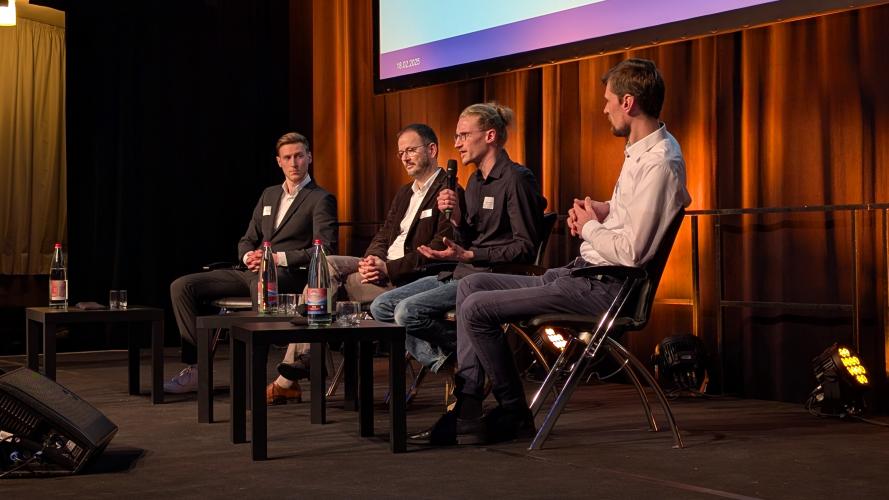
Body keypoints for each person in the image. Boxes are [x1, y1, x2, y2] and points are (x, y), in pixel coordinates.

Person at [415, 58, 692, 446]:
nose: (605, 107)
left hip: (607, 288)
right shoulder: (640, 152)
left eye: (609, 100)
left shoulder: (661, 162)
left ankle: (511, 412)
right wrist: (602, 211)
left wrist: (588, 228)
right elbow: (632, 218)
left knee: (477, 308)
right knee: (471, 286)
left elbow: (631, 252)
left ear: (628, 103)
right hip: (582, 274)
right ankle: (470, 404)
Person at [266, 123, 457, 404]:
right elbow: (384, 233)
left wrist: (387, 268)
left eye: (411, 150)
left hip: (411, 279)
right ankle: (304, 358)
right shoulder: (405, 192)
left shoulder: (448, 192)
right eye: (401, 152)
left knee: (331, 298)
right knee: (326, 265)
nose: (405, 157)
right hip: (381, 270)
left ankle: (294, 371)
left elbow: (439, 249)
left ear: (432, 150)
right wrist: (371, 260)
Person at [370, 102, 546, 380]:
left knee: (406, 312)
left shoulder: (516, 179)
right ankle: (453, 360)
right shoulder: (475, 181)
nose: (458, 144)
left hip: (489, 278)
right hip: (458, 273)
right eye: (456, 137)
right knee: (381, 306)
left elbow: (525, 247)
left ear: (489, 136)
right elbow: (467, 240)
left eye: (463, 135)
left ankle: (472, 358)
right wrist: (457, 221)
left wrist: (472, 256)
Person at [165, 132, 337, 394]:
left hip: (288, 274)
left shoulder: (320, 198)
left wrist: (275, 258)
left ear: (309, 158)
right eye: (288, 157)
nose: (294, 163)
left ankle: (256, 377)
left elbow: (324, 248)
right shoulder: (269, 195)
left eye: (299, 156)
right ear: (278, 161)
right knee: (182, 286)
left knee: (262, 287)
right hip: (252, 270)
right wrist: (248, 256)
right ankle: (197, 369)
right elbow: (247, 239)